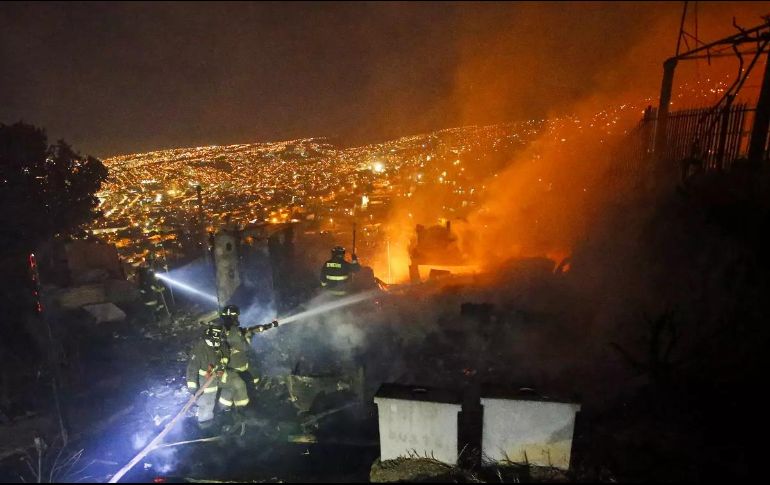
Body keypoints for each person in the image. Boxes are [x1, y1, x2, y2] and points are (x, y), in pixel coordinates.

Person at [186, 322, 250, 428]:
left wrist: (223, 364)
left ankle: (234, 410)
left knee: (237, 383)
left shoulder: (220, 343)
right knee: (207, 403)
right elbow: (192, 369)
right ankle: (205, 424)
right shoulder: (199, 349)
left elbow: (225, 353)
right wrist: (193, 388)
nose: (217, 344)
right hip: (206, 379)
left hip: (220, 374)